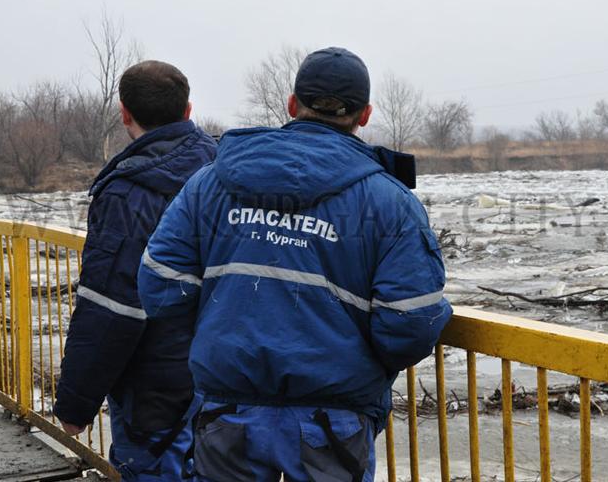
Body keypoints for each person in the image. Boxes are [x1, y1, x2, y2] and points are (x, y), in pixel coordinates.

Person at [137, 47, 453, 481]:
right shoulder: (391, 203)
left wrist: (223, 328)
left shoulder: (209, 183)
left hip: (228, 414)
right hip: (333, 422)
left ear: (291, 104)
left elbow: (160, 285)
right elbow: (411, 323)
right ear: (364, 115)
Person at [54, 60, 217, 480]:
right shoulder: (224, 174)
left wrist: (75, 404)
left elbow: (112, 306)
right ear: (188, 111)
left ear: (125, 114)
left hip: (159, 394)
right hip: (228, 383)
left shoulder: (130, 193)